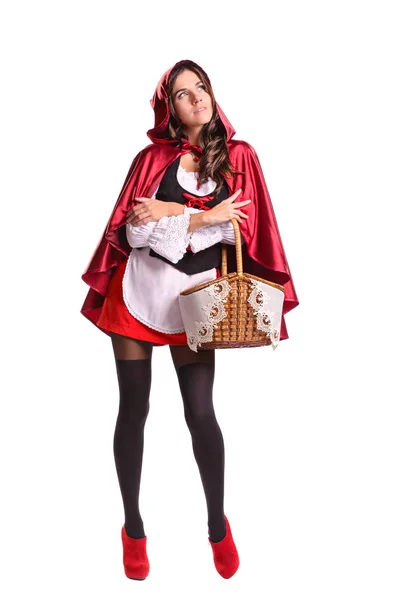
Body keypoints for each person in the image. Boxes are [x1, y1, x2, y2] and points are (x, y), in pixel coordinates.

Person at [80, 59, 299, 580]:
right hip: (137, 294)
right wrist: (201, 217)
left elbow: (240, 234)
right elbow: (134, 236)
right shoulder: (150, 158)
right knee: (132, 409)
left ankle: (217, 525)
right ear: (170, 109)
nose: (196, 97)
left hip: (195, 301)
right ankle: (133, 528)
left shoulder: (239, 156)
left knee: (201, 413)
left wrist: (170, 217)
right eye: (182, 93)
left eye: (200, 87)